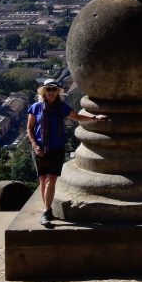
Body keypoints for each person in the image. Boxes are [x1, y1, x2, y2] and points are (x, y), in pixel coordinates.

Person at [27, 78, 108, 226]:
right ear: (44, 91)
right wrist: (34, 145)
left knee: (51, 179)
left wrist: (95, 118)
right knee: (43, 180)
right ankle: (47, 209)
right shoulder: (35, 108)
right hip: (40, 149)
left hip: (56, 148)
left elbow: (76, 117)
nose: (51, 92)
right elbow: (30, 129)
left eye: (54, 89)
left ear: (58, 92)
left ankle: (46, 210)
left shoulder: (61, 107)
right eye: (48, 89)